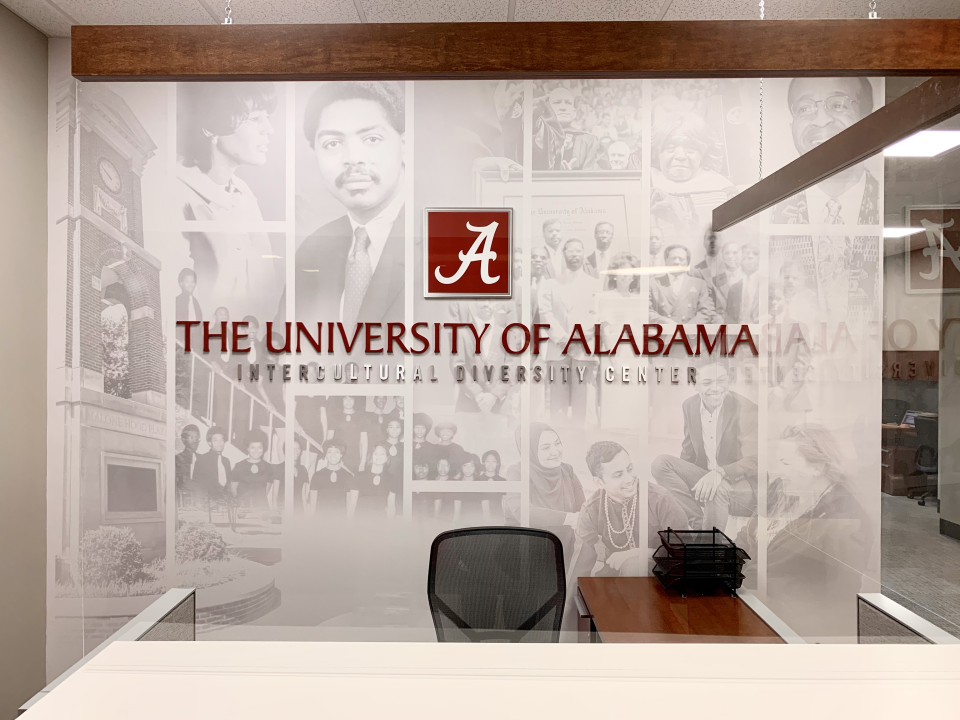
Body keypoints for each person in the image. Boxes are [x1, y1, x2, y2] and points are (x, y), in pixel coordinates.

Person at [737, 425, 873, 640]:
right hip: (751, 599)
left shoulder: (844, 518)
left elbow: (841, 598)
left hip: (792, 626)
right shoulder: (778, 490)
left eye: (786, 463)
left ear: (817, 468)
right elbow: (746, 535)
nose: (779, 473)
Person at [292, 81, 406, 327]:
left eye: (372, 139)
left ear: (404, 144)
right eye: (332, 144)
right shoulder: (310, 253)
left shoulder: (453, 244)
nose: (353, 158)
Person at [176, 83, 280, 322]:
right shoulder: (178, 191)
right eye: (254, 119)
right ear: (211, 128)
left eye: (267, 117)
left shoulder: (246, 196)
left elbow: (267, 295)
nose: (269, 129)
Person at [651, 361, 758, 534]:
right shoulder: (690, 406)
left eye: (721, 380)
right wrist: (682, 480)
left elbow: (756, 460)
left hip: (743, 485)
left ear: (729, 381)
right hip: (707, 476)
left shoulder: (746, 408)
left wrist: (720, 473)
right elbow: (688, 452)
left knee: (715, 489)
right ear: (695, 385)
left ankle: (708, 549)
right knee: (660, 463)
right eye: (707, 383)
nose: (715, 388)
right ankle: (698, 524)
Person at [772, 78, 878, 226]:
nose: (821, 121)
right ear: (792, 128)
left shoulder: (888, 201)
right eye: (804, 109)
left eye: (838, 105)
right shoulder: (767, 211)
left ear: (868, 122)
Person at [504, 423, 586, 568]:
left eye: (557, 443)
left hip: (566, 551)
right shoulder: (517, 472)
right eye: (545, 447)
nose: (555, 452)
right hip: (528, 552)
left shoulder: (567, 470)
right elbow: (522, 512)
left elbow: (583, 510)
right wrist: (568, 518)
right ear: (530, 451)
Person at [650, 111, 738, 243]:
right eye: (670, 148)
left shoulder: (722, 191)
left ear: (703, 153)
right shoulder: (644, 182)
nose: (681, 156)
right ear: (657, 152)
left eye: (691, 149)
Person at [538, 238, 599, 423]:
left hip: (583, 348)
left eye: (578, 251)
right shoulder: (549, 284)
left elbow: (596, 315)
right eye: (570, 251)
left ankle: (584, 437)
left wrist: (575, 339)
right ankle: (560, 433)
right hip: (558, 348)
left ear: (583, 255)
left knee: (585, 395)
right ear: (563, 254)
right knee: (557, 399)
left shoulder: (594, 284)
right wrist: (564, 340)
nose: (575, 255)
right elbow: (545, 314)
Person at [533, 86, 600, 171]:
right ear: (546, 110)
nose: (563, 108)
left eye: (568, 103)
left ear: (574, 113)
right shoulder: (535, 137)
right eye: (557, 102)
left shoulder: (590, 141)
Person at [649, 244, 718, 323]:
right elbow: (647, 311)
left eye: (681, 259)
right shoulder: (653, 283)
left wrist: (685, 330)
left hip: (690, 333)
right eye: (673, 258)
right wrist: (665, 321)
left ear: (687, 263)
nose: (676, 262)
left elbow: (705, 313)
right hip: (663, 332)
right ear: (666, 260)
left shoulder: (699, 284)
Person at [231, 430, 279, 514]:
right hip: (242, 510)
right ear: (247, 448)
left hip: (262, 508)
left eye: (259, 447)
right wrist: (238, 504)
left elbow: (266, 491)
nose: (256, 451)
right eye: (253, 447)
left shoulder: (269, 467)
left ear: (263, 448)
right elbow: (233, 488)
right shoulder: (239, 466)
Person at [192, 425, 232, 521]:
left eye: (222, 440)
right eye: (215, 440)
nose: (219, 443)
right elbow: (197, 484)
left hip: (225, 508)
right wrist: (199, 504)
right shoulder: (202, 460)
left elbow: (229, 484)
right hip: (208, 507)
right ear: (209, 443)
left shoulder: (226, 461)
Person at [309, 440, 354, 516]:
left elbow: (349, 506)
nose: (333, 455)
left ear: (341, 455)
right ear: (326, 454)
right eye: (329, 452)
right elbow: (312, 506)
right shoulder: (317, 475)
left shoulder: (347, 476)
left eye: (336, 452)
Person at [353, 444, 399, 518]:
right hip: (360, 522)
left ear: (387, 458)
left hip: (381, 523)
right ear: (371, 456)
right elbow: (352, 504)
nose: (379, 456)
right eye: (376, 453)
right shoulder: (359, 476)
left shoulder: (391, 479)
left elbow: (391, 507)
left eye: (382, 454)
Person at [327, 396, 369, 472]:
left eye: (351, 398)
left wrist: (363, 462)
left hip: (355, 458)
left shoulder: (361, 417)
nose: (348, 401)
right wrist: (331, 458)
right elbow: (329, 440)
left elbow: (364, 441)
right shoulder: (335, 416)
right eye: (346, 398)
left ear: (355, 400)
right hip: (337, 458)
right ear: (341, 400)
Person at [724, 243, 760, 323]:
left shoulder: (767, 285)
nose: (750, 256)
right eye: (746, 253)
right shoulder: (734, 288)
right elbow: (729, 318)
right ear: (740, 258)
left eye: (755, 253)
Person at [175, 424, 201, 503]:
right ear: (184, 439)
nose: (195, 441)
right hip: (183, 502)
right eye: (192, 437)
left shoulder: (202, 459)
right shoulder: (177, 459)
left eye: (197, 437)